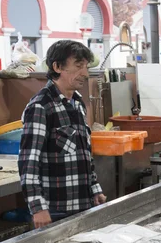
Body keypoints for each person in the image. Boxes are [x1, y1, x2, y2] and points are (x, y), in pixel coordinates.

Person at [18, 40, 106, 229]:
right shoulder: (40, 106)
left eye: (86, 66)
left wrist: (94, 189)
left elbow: (84, 154)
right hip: (55, 210)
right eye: (78, 66)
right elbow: (28, 162)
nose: (85, 73)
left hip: (83, 204)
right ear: (57, 67)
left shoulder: (77, 103)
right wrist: (37, 207)